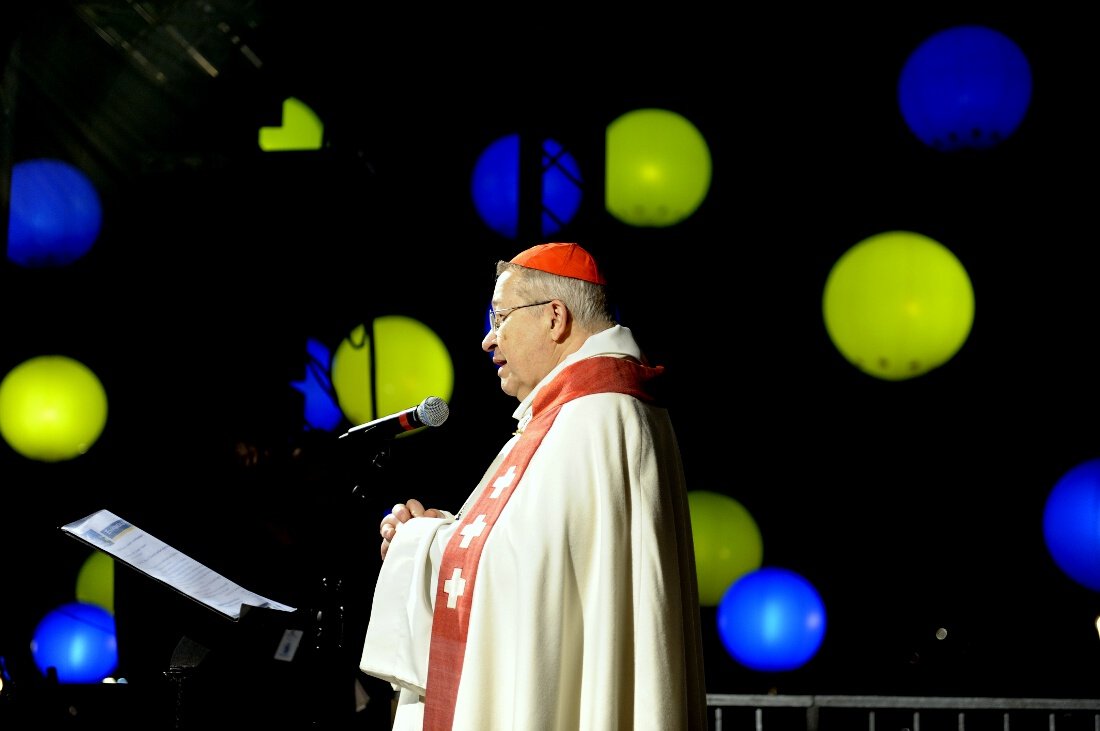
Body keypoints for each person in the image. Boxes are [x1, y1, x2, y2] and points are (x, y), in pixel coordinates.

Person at [359, 242, 707, 730]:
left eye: (499, 318)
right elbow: (543, 554)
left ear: (554, 317)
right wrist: (449, 532)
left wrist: (420, 545)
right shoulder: (597, 407)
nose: (488, 339)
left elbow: (532, 582)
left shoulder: (592, 416)